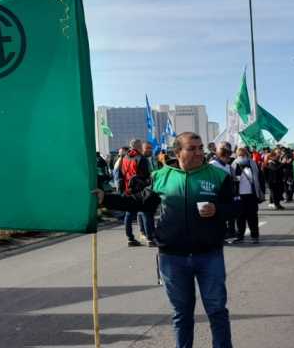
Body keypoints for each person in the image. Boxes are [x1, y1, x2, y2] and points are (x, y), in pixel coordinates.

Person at [94, 132, 235, 348]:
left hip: (209, 256)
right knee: (181, 314)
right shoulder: (161, 176)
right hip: (172, 258)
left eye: (201, 148)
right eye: (193, 148)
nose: (199, 152)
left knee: (217, 311)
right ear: (178, 152)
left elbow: (238, 207)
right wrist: (106, 198)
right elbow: (138, 202)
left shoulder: (218, 176)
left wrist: (218, 209)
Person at [120, 139, 153, 247]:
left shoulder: (124, 158)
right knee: (146, 213)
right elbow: (146, 176)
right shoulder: (141, 158)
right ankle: (150, 238)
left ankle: (130, 238)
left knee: (129, 214)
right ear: (139, 146)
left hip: (128, 189)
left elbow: (122, 173)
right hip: (139, 190)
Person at [232, 147, 264, 243]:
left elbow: (260, 178)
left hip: (251, 195)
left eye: (243, 155)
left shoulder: (253, 164)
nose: (241, 157)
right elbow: (230, 180)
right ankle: (240, 236)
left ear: (247, 154)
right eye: (240, 155)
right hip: (239, 195)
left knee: (252, 217)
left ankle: (255, 236)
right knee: (240, 217)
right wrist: (235, 180)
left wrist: (260, 191)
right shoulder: (234, 165)